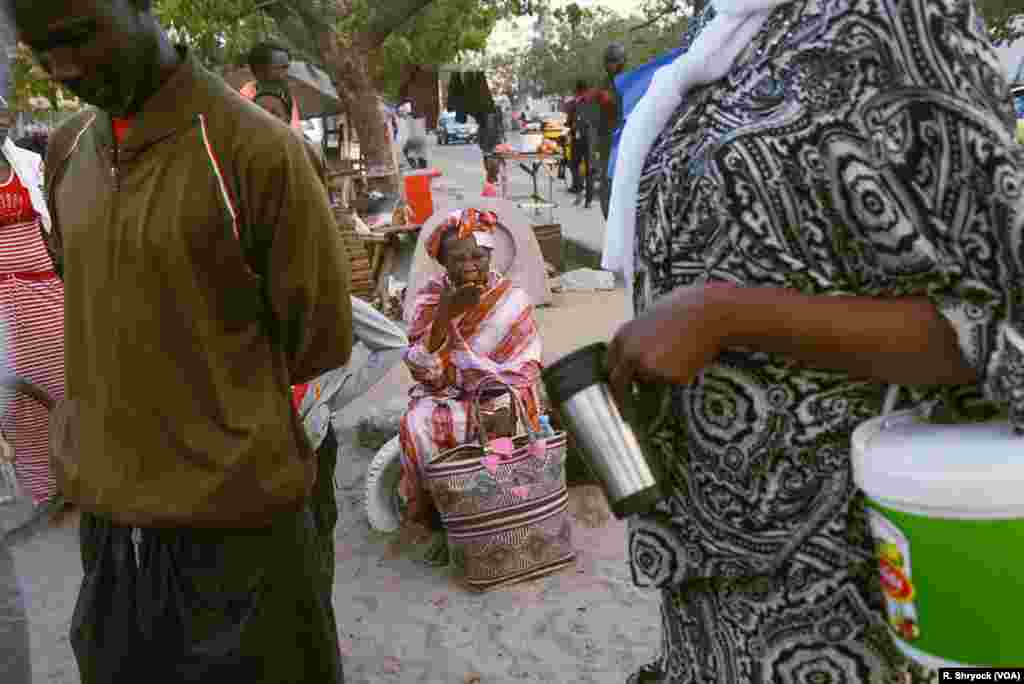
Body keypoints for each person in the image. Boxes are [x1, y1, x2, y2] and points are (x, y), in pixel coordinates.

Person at [602, 0, 1024, 681]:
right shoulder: (727, 27)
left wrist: (727, 316)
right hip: (708, 569)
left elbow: (1005, 325)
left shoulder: (902, 17)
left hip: (844, 575)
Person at [14, 2, 353, 683]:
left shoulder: (257, 152)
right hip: (110, 533)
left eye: (82, 36)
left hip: (238, 534)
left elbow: (318, 340)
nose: (66, 68)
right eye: (45, 52)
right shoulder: (69, 149)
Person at [398, 208, 543, 527]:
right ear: (443, 263)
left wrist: (498, 388)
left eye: (477, 257)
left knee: (504, 417)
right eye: (457, 259)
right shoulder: (430, 298)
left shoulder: (512, 298)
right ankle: (440, 515)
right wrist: (445, 315)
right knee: (417, 423)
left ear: (489, 255)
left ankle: (507, 508)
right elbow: (422, 369)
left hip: (502, 390)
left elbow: (527, 361)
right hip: (447, 392)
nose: (468, 267)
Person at [0, 96, 65, 508]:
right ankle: (38, 481)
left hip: (44, 293)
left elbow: (50, 228)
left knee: (59, 381)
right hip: (2, 302)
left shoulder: (28, 163)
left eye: (3, 110)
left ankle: (69, 473)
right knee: (15, 395)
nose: (2, 117)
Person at [240, 41, 302, 131]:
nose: (283, 74)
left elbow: (294, 131)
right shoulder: (245, 99)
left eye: (285, 68)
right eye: (277, 68)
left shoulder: (285, 94)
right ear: (259, 70)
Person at [600, 42, 627, 218]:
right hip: (607, 143)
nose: (612, 65)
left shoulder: (628, 81)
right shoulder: (605, 84)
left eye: (615, 61)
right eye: (609, 61)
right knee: (607, 188)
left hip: (623, 141)